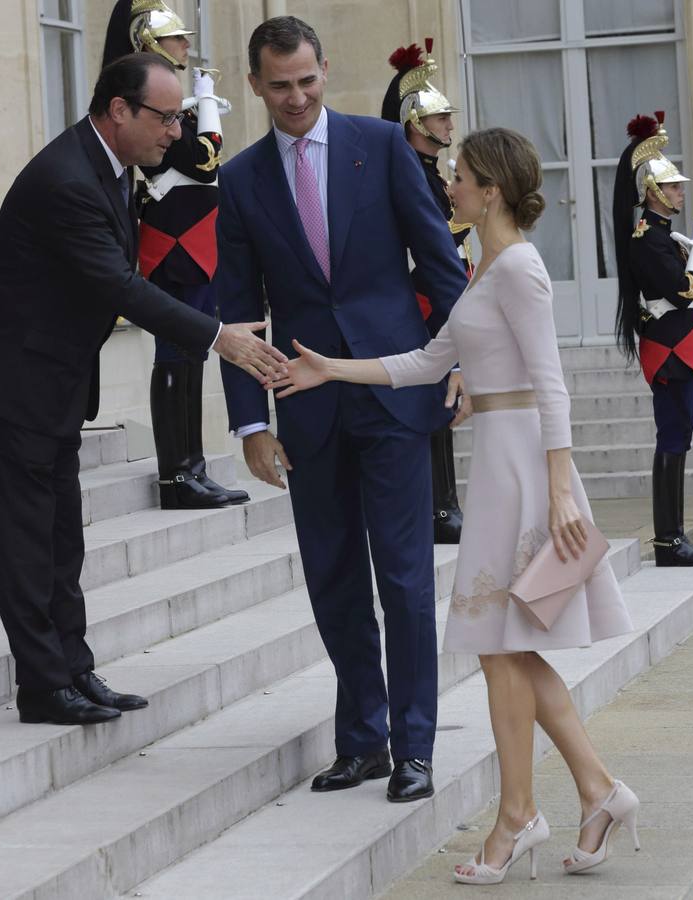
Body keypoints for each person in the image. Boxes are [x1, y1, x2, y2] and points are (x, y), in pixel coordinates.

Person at [270, 128, 639, 884]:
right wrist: (328, 370)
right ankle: (596, 791)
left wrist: (563, 491)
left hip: (527, 467)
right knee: (506, 646)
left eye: (461, 177)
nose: (450, 188)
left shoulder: (521, 269)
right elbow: (429, 362)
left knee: (501, 646)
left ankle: (520, 816)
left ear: (492, 190)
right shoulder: (487, 269)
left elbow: (552, 381)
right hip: (503, 462)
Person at [0, 54, 286, 727]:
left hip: (50, 380)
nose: (177, 133)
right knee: (28, 539)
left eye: (182, 117)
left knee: (62, 535)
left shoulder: (109, 166)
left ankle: (74, 668)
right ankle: (44, 686)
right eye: (166, 118)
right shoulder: (67, 180)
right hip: (11, 383)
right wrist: (222, 338)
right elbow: (119, 286)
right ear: (119, 110)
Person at [215, 16, 469, 803]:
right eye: (280, 85)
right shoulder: (242, 177)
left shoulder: (384, 145)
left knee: (403, 577)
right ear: (255, 84)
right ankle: (360, 740)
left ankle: (415, 748)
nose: (296, 98)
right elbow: (235, 310)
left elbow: (440, 260)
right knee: (333, 578)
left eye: (308, 81)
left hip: (392, 391)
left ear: (325, 71)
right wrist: (251, 422)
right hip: (305, 406)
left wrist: (466, 359)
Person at [101, 0, 247, 510]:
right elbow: (205, 163)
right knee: (175, 352)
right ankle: (176, 474)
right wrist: (205, 105)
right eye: (175, 39)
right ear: (152, 45)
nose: (186, 46)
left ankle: (194, 467)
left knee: (193, 353)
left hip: (196, 235)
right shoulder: (164, 109)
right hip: (174, 239)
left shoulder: (177, 106)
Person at [612, 112, 693, 567]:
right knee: (673, 438)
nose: (680, 191)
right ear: (653, 193)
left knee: (678, 439)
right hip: (673, 349)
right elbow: (682, 291)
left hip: (683, 346)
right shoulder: (647, 239)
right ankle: (669, 541)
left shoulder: (661, 236)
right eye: (673, 187)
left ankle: (672, 537)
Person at [380, 37, 470, 544]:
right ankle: (439, 508)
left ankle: (447, 503)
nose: (449, 125)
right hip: (421, 297)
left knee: (445, 396)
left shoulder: (431, 175)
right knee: (437, 393)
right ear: (416, 121)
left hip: (439, 294)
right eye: (440, 118)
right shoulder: (410, 175)